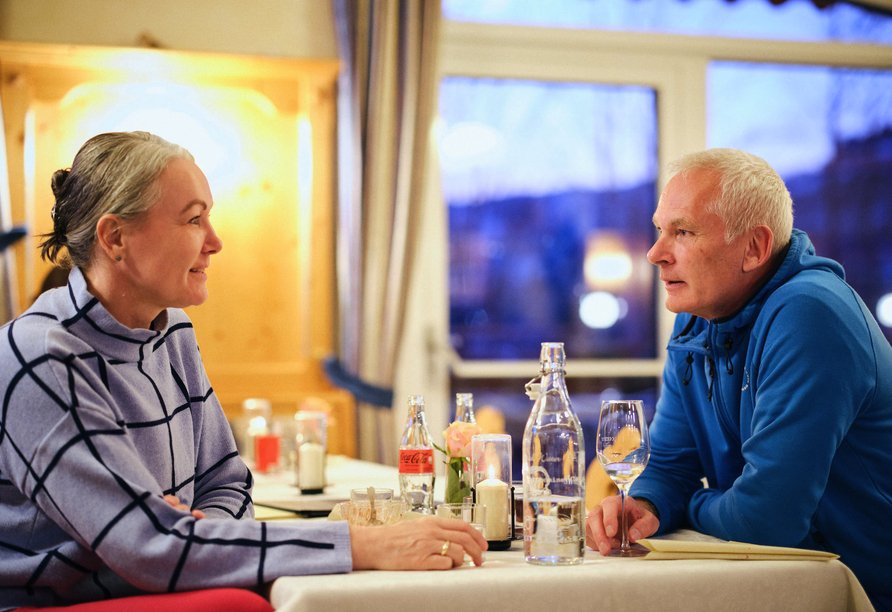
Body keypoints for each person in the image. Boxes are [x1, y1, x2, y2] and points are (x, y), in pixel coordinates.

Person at [0, 132, 486, 612]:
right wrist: (365, 545)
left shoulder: (173, 333)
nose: (215, 241)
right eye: (194, 219)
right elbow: (149, 546)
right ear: (115, 237)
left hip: (148, 586)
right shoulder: (39, 354)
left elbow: (226, 483)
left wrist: (193, 539)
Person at [585, 148, 892, 612]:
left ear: (754, 248)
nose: (654, 254)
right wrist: (644, 505)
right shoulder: (696, 318)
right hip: (780, 584)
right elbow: (670, 465)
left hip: (862, 591)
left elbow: (767, 521)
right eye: (660, 230)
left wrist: (690, 505)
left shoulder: (811, 315)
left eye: (683, 232)